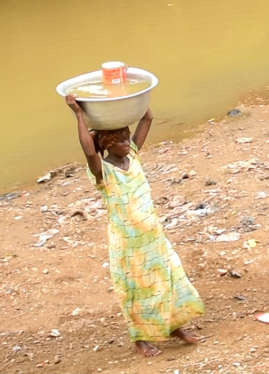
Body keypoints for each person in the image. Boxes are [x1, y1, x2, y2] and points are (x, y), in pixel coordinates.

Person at [65, 95, 204, 357]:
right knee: (136, 289)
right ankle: (140, 339)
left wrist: (132, 94)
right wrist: (78, 114)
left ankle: (174, 326)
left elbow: (147, 117)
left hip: (154, 237)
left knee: (169, 278)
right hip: (128, 245)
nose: (126, 142)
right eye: (119, 140)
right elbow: (88, 151)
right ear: (107, 144)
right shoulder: (103, 173)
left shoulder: (134, 155)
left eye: (127, 137)